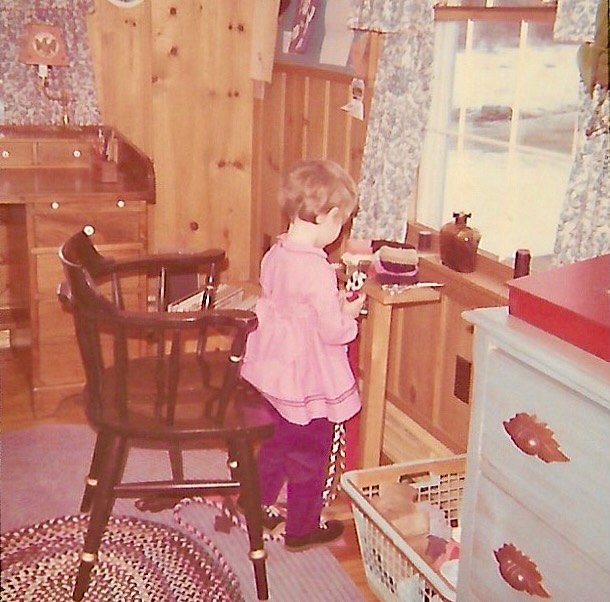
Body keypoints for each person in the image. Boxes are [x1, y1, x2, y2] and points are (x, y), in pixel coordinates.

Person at [241, 159, 366, 552]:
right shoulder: (317, 269)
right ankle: (301, 528)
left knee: (278, 440)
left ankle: (256, 505)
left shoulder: (276, 252)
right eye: (340, 223)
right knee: (312, 450)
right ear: (328, 217)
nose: (339, 231)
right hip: (307, 375)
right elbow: (331, 331)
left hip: (274, 370)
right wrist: (350, 317)